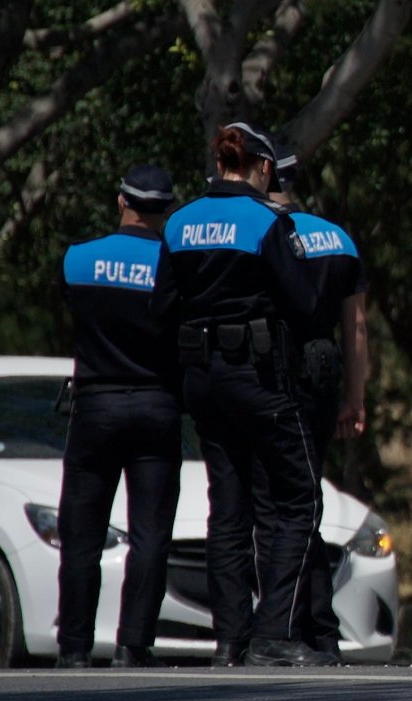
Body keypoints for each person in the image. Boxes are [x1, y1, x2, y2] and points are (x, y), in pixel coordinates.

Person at [152, 121, 329, 668]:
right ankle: (274, 631)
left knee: (227, 512)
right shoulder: (264, 221)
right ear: (264, 168)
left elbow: (161, 309)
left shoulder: (178, 223)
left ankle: (231, 639)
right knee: (300, 499)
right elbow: (303, 305)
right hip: (262, 381)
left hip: (203, 384)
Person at [55, 166, 183, 668]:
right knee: (150, 533)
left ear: (120, 202)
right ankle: (134, 645)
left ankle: (74, 648)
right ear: (165, 212)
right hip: (157, 406)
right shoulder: (173, 266)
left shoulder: (77, 259)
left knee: (82, 532)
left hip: (95, 407)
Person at [271, 152, 369, 661]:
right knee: (307, 503)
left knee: (285, 509)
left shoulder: (263, 235)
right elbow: (355, 327)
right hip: (324, 374)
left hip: (276, 378)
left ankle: (304, 628)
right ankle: (319, 629)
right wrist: (355, 398)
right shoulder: (338, 237)